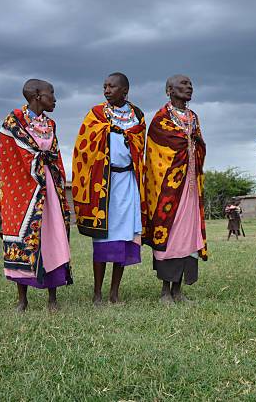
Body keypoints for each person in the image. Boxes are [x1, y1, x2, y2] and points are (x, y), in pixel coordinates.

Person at [72, 72, 145, 305]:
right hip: (103, 184)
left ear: (124, 91)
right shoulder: (96, 114)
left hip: (128, 182)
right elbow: (82, 147)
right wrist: (107, 132)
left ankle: (114, 293)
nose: (106, 90)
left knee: (123, 239)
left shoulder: (138, 115)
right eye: (104, 86)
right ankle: (97, 294)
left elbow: (140, 146)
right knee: (102, 239)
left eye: (111, 86)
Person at [0, 79, 72, 312]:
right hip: (24, 190)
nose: (55, 99)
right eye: (52, 93)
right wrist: (40, 163)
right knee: (24, 239)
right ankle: (22, 300)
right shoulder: (13, 122)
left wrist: (58, 181)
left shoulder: (50, 124)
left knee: (52, 237)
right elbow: (11, 157)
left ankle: (53, 299)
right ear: (37, 96)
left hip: (49, 188)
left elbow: (55, 154)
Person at [143, 75, 207, 303]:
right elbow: (155, 155)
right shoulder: (161, 119)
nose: (189, 87)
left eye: (191, 84)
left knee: (187, 236)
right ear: (169, 90)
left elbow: (199, 146)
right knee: (169, 236)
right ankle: (164, 291)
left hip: (189, 188)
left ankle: (178, 290)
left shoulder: (193, 118)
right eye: (183, 84)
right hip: (168, 190)